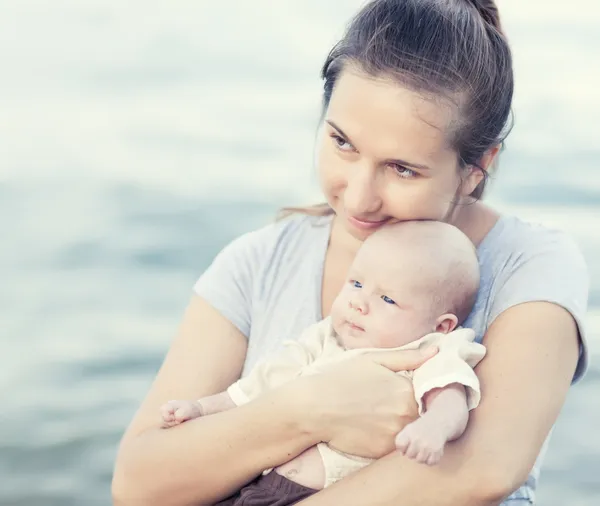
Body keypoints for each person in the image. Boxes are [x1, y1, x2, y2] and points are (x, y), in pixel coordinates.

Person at [112, 1, 590, 505]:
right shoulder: (259, 263)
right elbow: (140, 486)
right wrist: (311, 406)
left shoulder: (529, 264)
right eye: (342, 142)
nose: (359, 197)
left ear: (477, 168)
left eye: (402, 168)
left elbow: (485, 467)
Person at [159, 221, 486, 503]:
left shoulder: (430, 350)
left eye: (387, 299)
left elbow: (450, 398)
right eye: (357, 283)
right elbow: (259, 386)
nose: (359, 302)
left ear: (441, 325)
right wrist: (202, 408)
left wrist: (433, 429)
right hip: (258, 484)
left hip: (323, 495)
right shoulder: (325, 336)